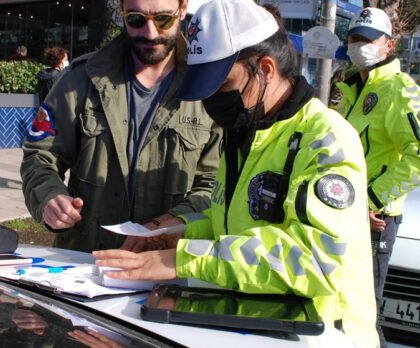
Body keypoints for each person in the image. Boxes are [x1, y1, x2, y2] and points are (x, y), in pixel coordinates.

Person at [93, 1, 379, 347]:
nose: (213, 102)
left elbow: (316, 259)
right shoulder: (245, 132)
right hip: (260, 326)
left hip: (323, 334)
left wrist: (182, 259)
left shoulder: (325, 139)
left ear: (266, 69)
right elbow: (229, 223)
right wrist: (176, 235)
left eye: (223, 85)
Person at [20, 0, 221, 253]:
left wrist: (167, 225)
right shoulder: (81, 79)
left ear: (182, 9)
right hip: (85, 264)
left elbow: (214, 184)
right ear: (122, 12)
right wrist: (49, 198)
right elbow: (39, 156)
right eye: (136, 19)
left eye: (163, 19)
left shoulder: (207, 87)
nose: (150, 33)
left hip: (168, 269)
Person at [334, 8, 420, 347]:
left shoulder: (401, 91)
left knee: (362, 314)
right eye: (354, 38)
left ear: (389, 44)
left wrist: (371, 200)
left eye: (368, 39)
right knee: (337, 306)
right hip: (343, 213)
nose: (359, 45)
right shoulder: (353, 89)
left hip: (373, 218)